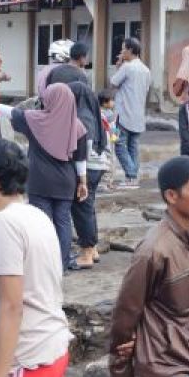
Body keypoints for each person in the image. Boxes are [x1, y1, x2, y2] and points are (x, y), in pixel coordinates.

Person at [0, 139, 72, 377]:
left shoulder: (4, 225)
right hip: (52, 346)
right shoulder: (36, 215)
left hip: (28, 359)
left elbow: (12, 307)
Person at [109, 156, 189, 377]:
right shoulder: (153, 250)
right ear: (171, 196)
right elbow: (125, 315)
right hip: (163, 367)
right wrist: (121, 370)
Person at [10, 84, 89, 272]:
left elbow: (14, 113)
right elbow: (80, 159)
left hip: (39, 181)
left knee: (42, 224)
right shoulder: (78, 126)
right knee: (63, 221)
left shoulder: (35, 120)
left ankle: (43, 266)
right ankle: (61, 264)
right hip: (66, 182)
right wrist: (83, 183)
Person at [70, 82, 111, 270]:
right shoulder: (94, 113)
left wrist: (82, 179)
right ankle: (92, 248)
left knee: (81, 206)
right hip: (99, 164)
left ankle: (86, 252)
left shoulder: (82, 116)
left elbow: (83, 149)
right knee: (88, 205)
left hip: (88, 166)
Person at [110, 37, 150, 190]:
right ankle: (132, 178)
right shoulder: (146, 70)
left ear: (131, 50)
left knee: (118, 144)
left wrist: (119, 66)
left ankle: (131, 174)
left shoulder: (127, 67)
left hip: (122, 113)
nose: (121, 52)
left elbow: (113, 83)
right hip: (138, 114)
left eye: (123, 49)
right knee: (133, 146)